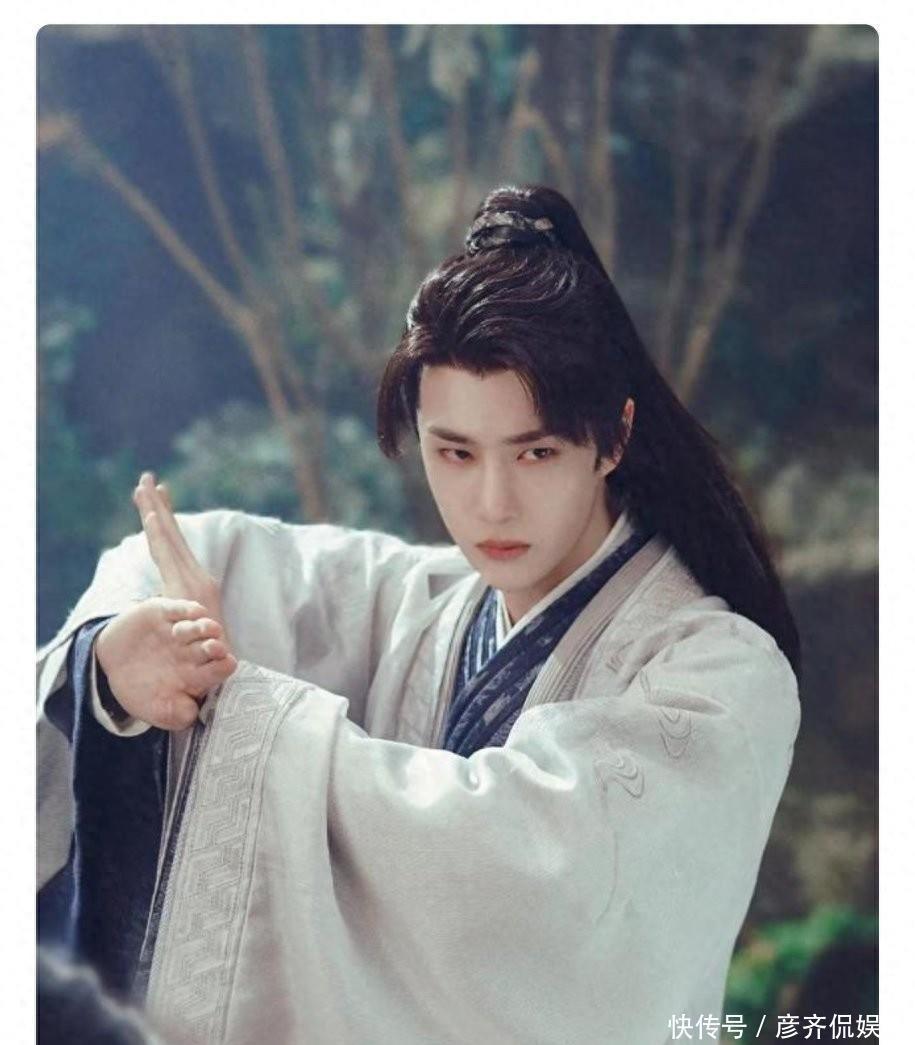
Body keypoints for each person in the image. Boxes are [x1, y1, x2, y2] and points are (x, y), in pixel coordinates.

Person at [37, 184, 802, 1045]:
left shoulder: (720, 679)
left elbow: (518, 871)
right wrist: (122, 658)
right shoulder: (426, 604)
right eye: (454, 452)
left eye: (536, 451)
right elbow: (188, 556)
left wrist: (230, 700)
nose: (492, 502)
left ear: (614, 438)